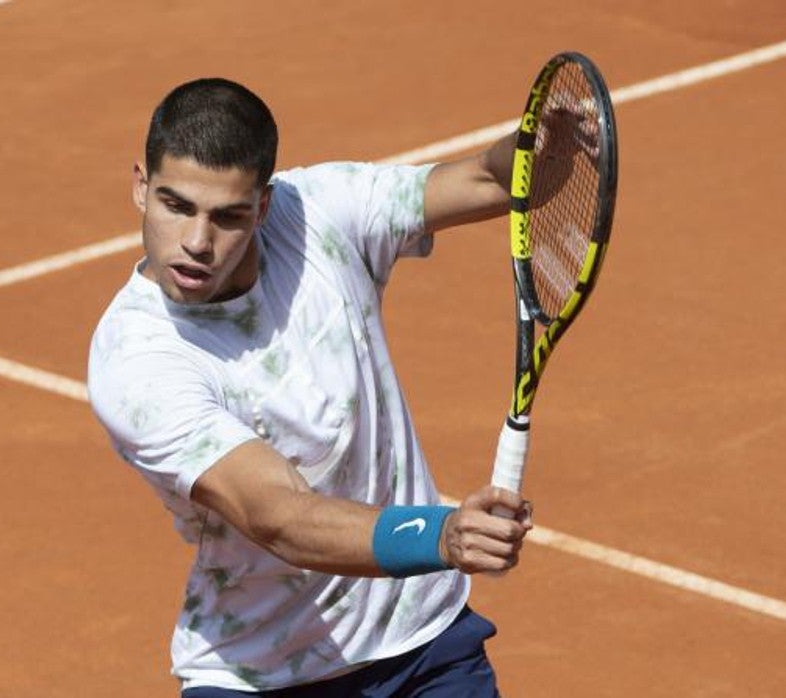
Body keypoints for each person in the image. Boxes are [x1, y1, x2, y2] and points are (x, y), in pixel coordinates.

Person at [87, 77, 533, 697]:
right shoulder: (138, 359)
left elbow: (489, 179)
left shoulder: (316, 211)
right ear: (141, 185)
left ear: (264, 206)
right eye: (176, 205)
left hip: (423, 646)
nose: (196, 243)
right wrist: (441, 535)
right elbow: (282, 519)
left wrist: (547, 139)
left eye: (228, 216)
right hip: (264, 674)